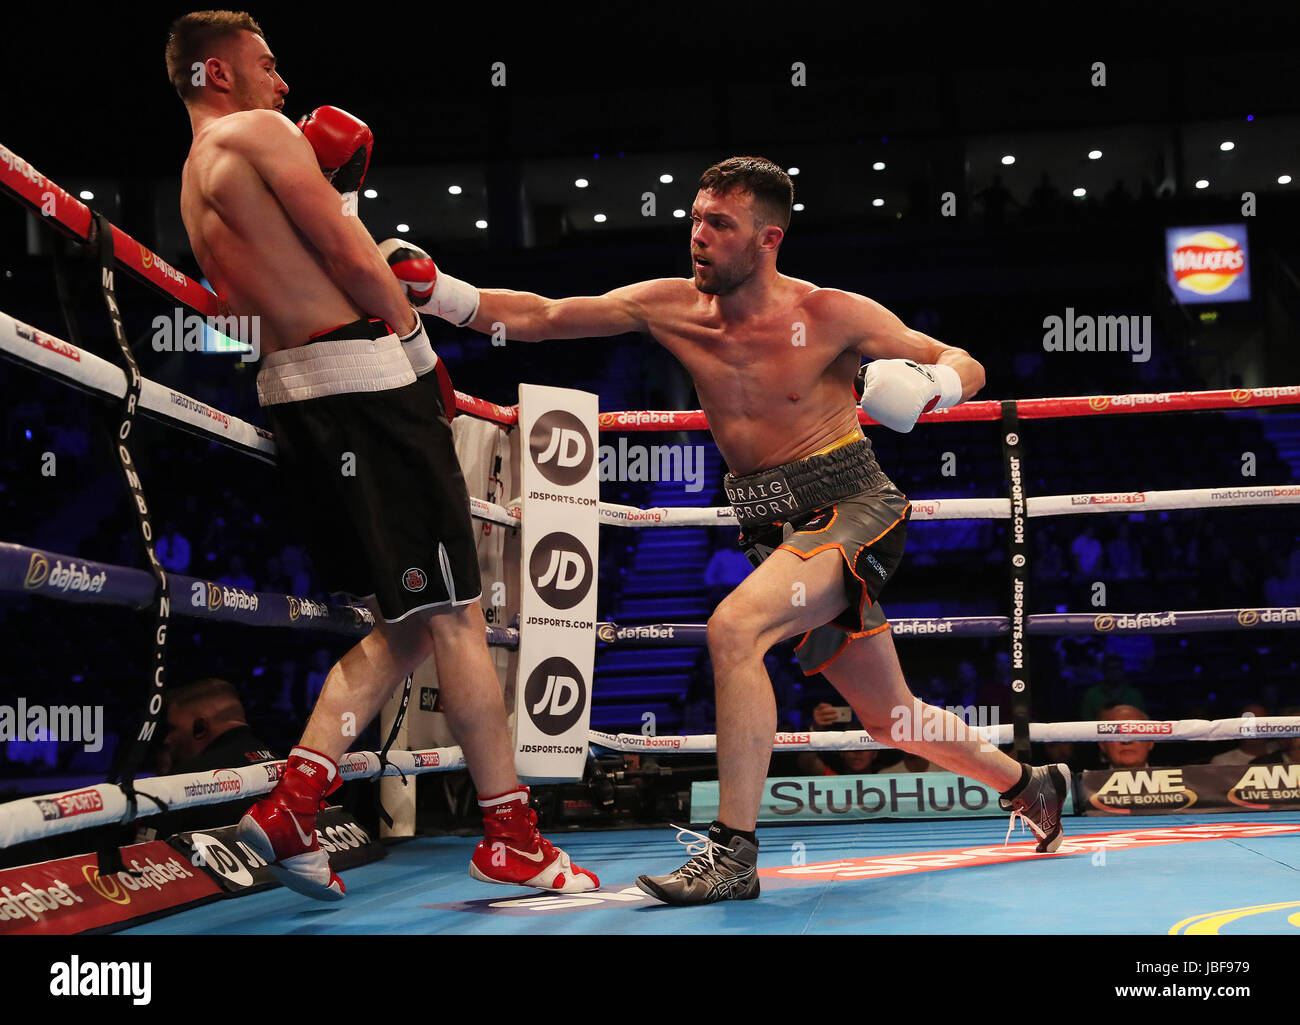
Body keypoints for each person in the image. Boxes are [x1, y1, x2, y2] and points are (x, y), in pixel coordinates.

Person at [385, 155, 1068, 905]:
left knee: (734, 628)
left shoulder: (832, 312)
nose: (698, 236)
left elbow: (960, 360)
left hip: (852, 507)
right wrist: (440, 294)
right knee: (889, 714)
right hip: (771, 524)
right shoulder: (671, 306)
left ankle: (733, 853)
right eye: (695, 219)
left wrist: (934, 385)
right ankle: (1031, 783)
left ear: (768, 238)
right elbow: (547, 316)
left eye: (719, 223)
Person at [165, 10, 595, 901]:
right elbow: (349, 250)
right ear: (216, 73)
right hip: (364, 383)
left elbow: (291, 264)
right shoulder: (260, 131)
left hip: (297, 397)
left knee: (404, 621)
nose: (283, 84)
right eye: (266, 64)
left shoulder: (191, 176)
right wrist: (422, 354)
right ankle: (510, 833)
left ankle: (291, 804)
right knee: (454, 614)